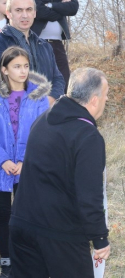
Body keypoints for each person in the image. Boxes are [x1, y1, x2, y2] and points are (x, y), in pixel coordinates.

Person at [9, 67, 110, 277]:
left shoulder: (43, 120)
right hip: (61, 235)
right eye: (106, 95)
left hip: (22, 225)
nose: (106, 100)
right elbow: (89, 196)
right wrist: (100, 238)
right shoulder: (88, 137)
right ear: (94, 100)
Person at [0, 47, 50, 277]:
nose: (22, 71)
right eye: (16, 66)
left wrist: (23, 160)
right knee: (3, 214)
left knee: (25, 215)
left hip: (27, 167)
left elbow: (41, 132)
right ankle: (5, 258)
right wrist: (3, 160)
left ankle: (24, 257)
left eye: (26, 66)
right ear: (4, 69)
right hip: (2, 166)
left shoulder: (38, 97)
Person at [22, 0, 79, 88]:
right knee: (39, 85)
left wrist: (51, 5)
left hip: (57, 44)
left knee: (65, 83)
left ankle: (60, 110)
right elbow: (39, 11)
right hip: (36, 44)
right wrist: (61, 7)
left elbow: (73, 8)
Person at [0, 0, 65, 104]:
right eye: (19, 10)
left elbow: (58, 78)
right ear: (9, 13)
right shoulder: (2, 43)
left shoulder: (45, 46)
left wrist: (50, 99)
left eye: (29, 10)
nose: (25, 15)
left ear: (34, 13)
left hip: (45, 115)